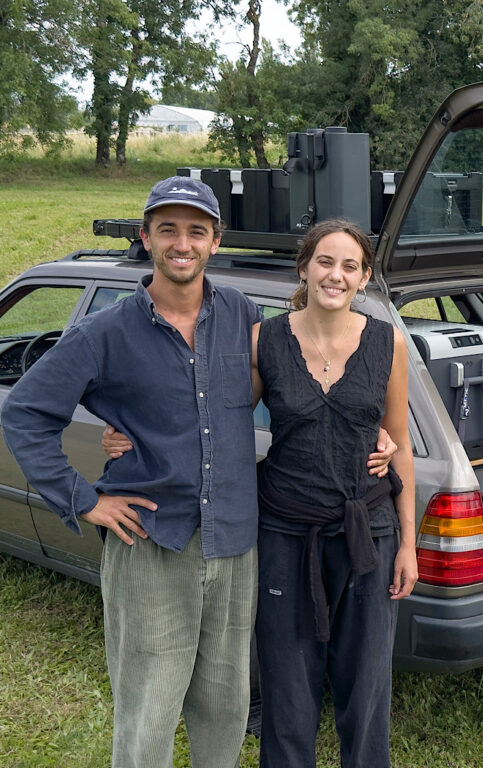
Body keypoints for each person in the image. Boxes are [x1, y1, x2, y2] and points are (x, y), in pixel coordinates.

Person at [3, 177, 395, 768]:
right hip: (153, 542)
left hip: (236, 544)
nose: (182, 244)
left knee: (225, 710)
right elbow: (25, 413)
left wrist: (376, 434)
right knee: (149, 711)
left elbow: (300, 382)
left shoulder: (241, 317)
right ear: (146, 238)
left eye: (196, 231)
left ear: (216, 240)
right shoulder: (104, 333)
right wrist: (84, 500)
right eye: (168, 230)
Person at [248, 218, 417, 768]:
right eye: (325, 261)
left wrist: (408, 545)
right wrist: (127, 432)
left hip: (368, 532)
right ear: (304, 268)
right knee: (287, 687)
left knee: (365, 686)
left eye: (350, 266)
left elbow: (400, 444)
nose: (335, 275)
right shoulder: (265, 340)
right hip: (284, 533)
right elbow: (218, 419)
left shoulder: (387, 342)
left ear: (364, 277)